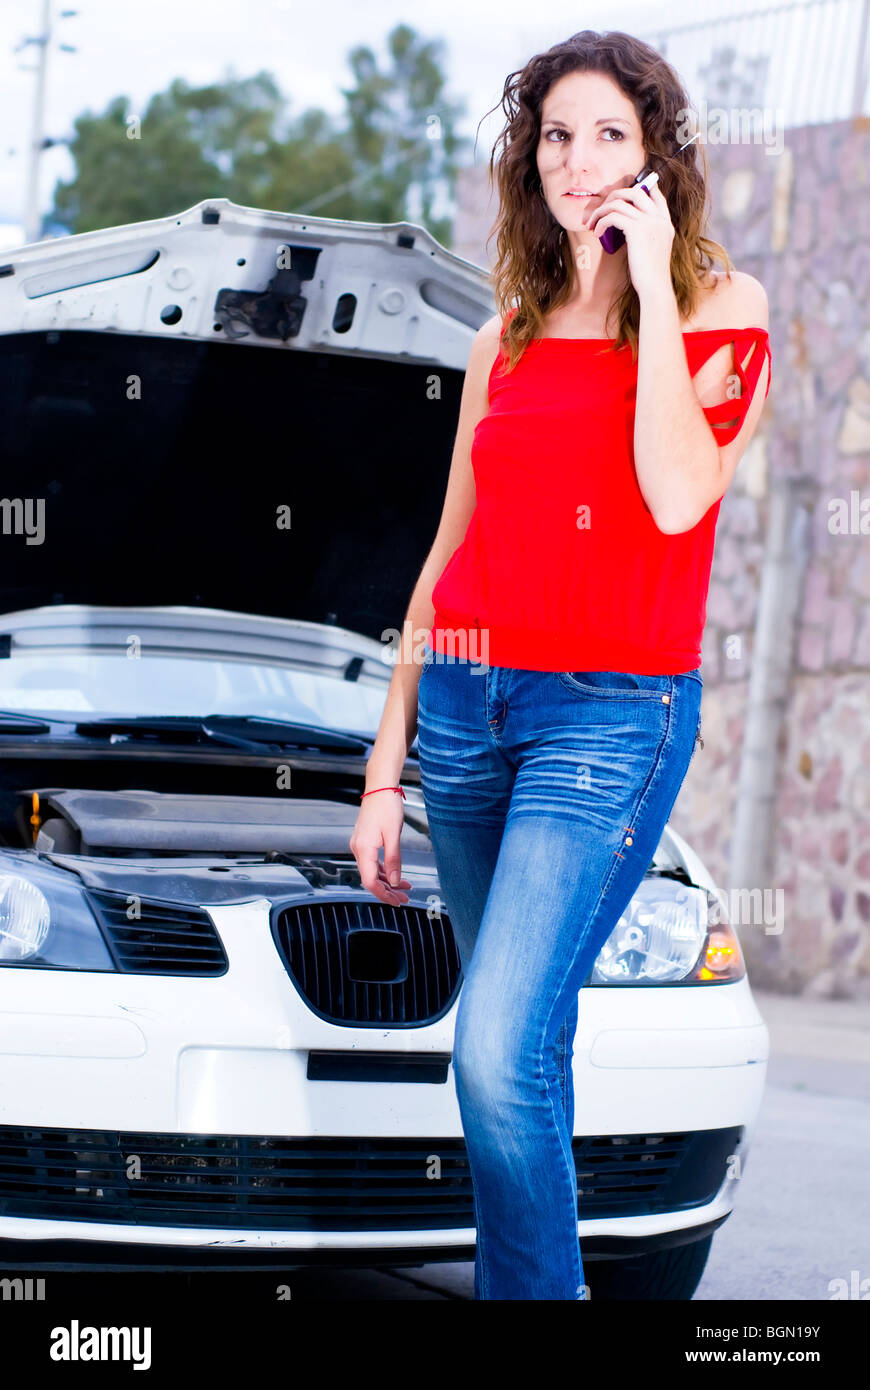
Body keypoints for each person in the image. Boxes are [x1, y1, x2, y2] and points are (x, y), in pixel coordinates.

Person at [350, 28, 772, 1300]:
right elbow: (445, 557)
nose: (578, 162)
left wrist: (646, 280)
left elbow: (676, 487)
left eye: (609, 136)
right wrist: (384, 760)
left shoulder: (723, 308)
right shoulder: (506, 339)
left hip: (610, 720)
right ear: (527, 160)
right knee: (525, 1043)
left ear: (657, 159)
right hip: (469, 718)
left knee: (490, 1048)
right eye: (554, 137)